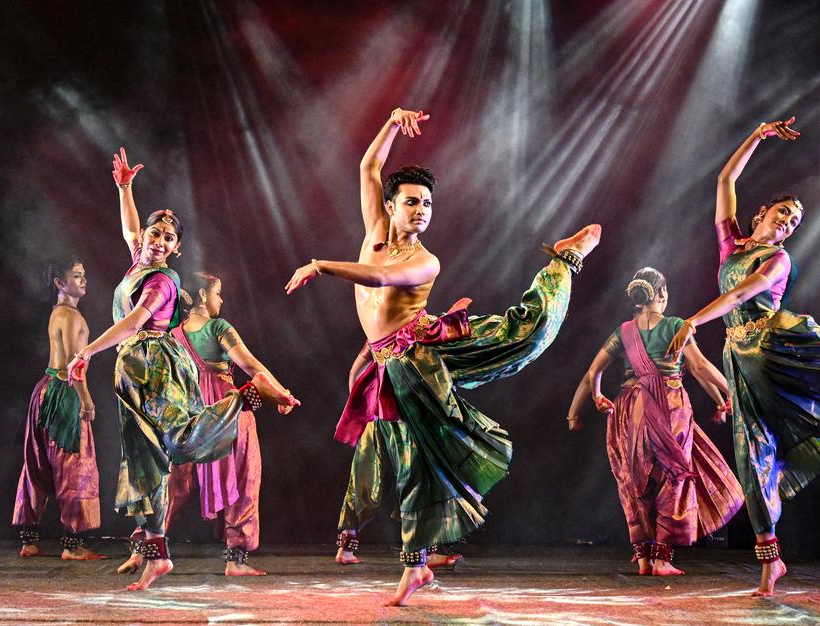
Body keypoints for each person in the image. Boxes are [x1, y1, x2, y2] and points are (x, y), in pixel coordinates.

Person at [286, 107, 601, 606]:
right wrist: (391, 122)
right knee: (405, 459)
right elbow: (369, 169)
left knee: (520, 332)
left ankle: (565, 261)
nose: (421, 211)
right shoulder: (372, 234)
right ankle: (416, 563)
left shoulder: (423, 259)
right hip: (388, 364)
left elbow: (381, 280)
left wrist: (320, 265)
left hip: (425, 356)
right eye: (412, 202)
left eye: (428, 204)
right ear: (390, 207)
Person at [665, 117, 820, 596]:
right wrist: (759, 135)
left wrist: (692, 322)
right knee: (751, 457)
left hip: (780, 345)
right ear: (761, 213)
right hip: (741, 361)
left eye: (794, 222)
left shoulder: (776, 260)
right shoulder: (732, 244)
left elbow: (747, 292)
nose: (786, 223)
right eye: (782, 213)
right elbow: (725, 180)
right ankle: (770, 564)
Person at [67, 148, 300, 591]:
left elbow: (136, 321)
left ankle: (249, 396)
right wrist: (124, 187)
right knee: (143, 460)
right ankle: (157, 554)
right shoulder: (138, 260)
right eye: (153, 233)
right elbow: (130, 228)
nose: (156, 240)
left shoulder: (163, 280)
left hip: (155, 363)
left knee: (177, 441)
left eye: (166, 238)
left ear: (176, 248)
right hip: (130, 370)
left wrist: (88, 351)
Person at [115, 272, 295, 577]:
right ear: (201, 295)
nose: (221, 300)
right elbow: (250, 365)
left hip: (188, 410)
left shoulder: (173, 333)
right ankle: (235, 560)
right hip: (226, 412)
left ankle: (142, 550)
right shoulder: (219, 327)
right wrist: (282, 393)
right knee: (243, 479)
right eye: (218, 293)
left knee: (173, 484)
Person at [568, 267, 743, 576]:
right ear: (661, 294)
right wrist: (732, 394)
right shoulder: (676, 325)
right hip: (668, 405)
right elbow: (700, 367)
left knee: (635, 479)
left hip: (628, 408)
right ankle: (663, 558)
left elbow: (593, 372)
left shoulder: (623, 332)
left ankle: (645, 557)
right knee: (672, 475)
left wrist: (582, 406)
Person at [12, 256, 107, 561]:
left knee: (37, 463)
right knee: (73, 465)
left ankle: (29, 541)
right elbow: (72, 364)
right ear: (59, 283)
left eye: (83, 274)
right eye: (76, 276)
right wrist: (86, 399)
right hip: (64, 392)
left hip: (44, 391)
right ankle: (72, 544)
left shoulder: (58, 313)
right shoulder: (70, 317)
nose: (83, 280)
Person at [334, 345, 463, 570]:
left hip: (379, 413)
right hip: (400, 417)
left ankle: (346, 547)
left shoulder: (379, 330)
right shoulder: (409, 331)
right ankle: (424, 551)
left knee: (366, 476)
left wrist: (361, 404)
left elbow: (356, 369)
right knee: (416, 478)